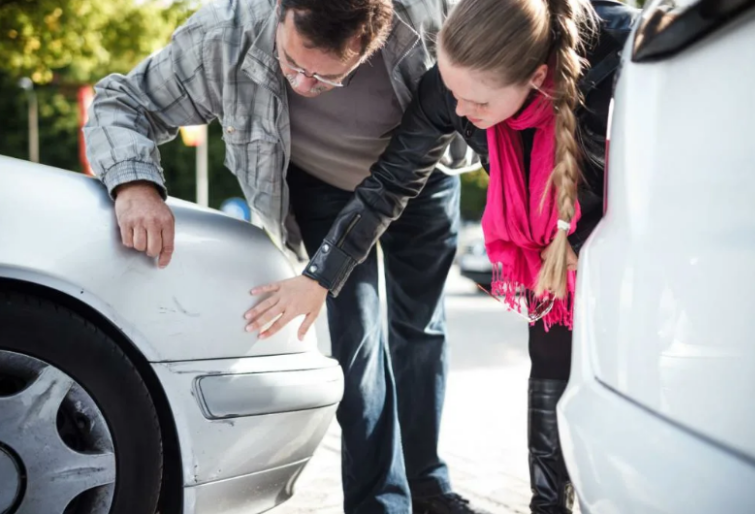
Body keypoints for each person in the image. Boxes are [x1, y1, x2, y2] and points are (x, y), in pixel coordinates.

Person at [84, 1, 489, 513]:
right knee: (357, 342)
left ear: (372, 39)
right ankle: (380, 504)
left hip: (419, 178)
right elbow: (119, 101)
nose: (302, 85)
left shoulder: (429, 19)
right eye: (293, 63)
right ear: (282, 13)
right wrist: (135, 184)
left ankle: (428, 485)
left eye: (326, 78)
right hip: (324, 188)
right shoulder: (224, 35)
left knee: (420, 331)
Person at [248, 0, 637, 512]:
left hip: (631, 241)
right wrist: (319, 275)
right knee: (550, 357)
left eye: (475, 102)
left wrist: (596, 250)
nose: (458, 111)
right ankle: (548, 505)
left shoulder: (622, 64)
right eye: (452, 93)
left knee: (628, 373)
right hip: (546, 247)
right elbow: (389, 184)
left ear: (538, 78)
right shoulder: (451, 92)